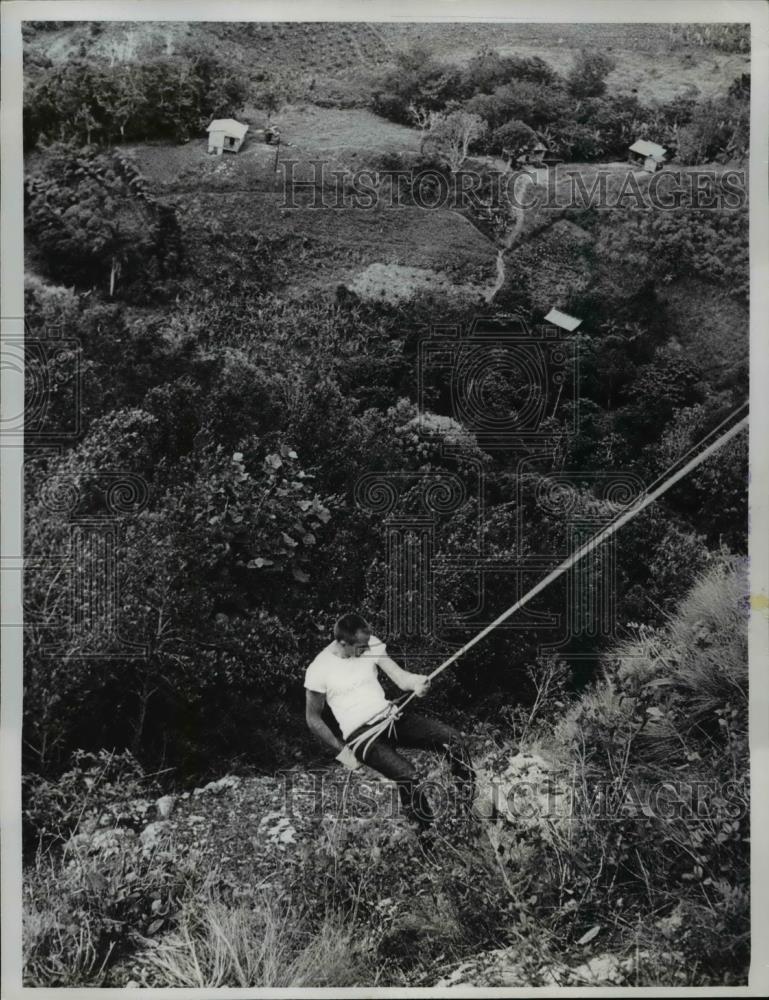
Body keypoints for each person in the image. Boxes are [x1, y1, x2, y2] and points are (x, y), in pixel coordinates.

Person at [304, 613, 474, 828]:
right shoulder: (319, 669)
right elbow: (313, 719)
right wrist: (344, 754)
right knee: (409, 776)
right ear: (342, 643)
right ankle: (428, 840)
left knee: (454, 740)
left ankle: (467, 809)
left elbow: (401, 677)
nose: (366, 650)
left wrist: (416, 682)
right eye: (360, 647)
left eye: (367, 644)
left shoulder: (370, 643)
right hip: (361, 737)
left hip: (390, 717)